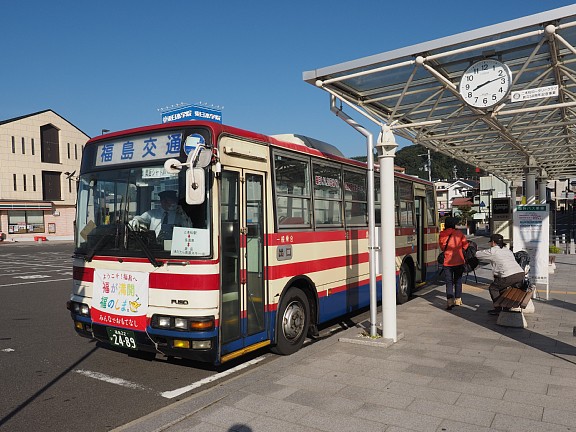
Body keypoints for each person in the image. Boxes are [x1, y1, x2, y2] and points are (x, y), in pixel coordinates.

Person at [475, 233, 525, 315]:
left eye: (490, 242)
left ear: (493, 242)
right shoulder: (507, 250)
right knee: (502, 287)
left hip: (509, 276)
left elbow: (477, 254)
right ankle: (505, 306)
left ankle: (498, 308)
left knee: (493, 288)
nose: (490, 244)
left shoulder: (493, 251)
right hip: (520, 274)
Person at [439, 217, 469, 310]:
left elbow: (442, 247)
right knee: (458, 280)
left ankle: (449, 302)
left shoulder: (442, 234)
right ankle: (458, 300)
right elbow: (466, 245)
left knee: (449, 282)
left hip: (447, 262)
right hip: (459, 261)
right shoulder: (459, 233)